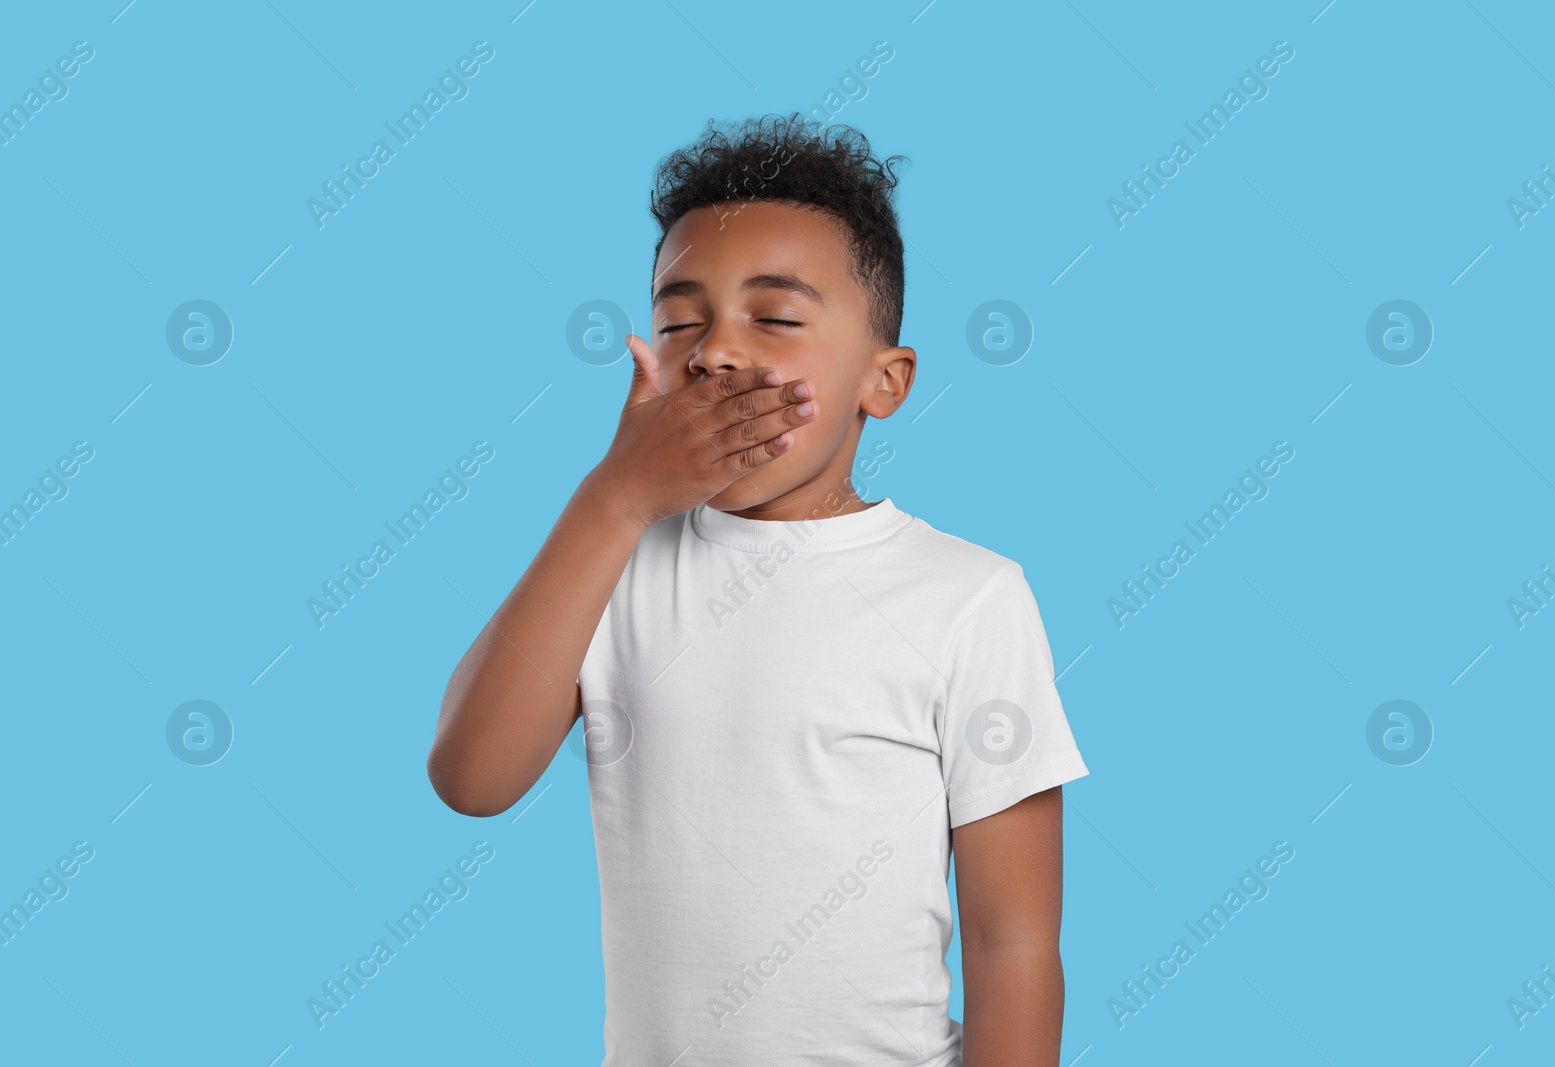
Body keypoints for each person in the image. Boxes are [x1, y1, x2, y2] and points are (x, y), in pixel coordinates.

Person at [428, 112, 1090, 1066]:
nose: (716, 353)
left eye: (775, 317)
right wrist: (611, 500)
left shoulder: (968, 597)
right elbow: (470, 778)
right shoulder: (616, 565)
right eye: (678, 321)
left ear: (885, 380)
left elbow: (1013, 942)